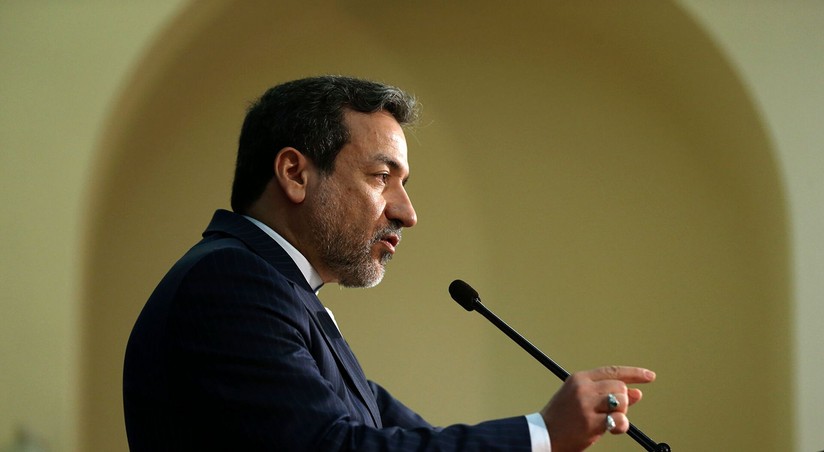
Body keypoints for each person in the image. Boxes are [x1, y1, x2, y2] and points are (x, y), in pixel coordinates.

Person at [123, 75, 656, 451]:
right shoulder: (231, 284)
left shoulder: (280, 291)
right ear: (295, 174)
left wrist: (550, 432)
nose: (407, 212)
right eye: (382, 177)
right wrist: (542, 433)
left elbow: (398, 438)